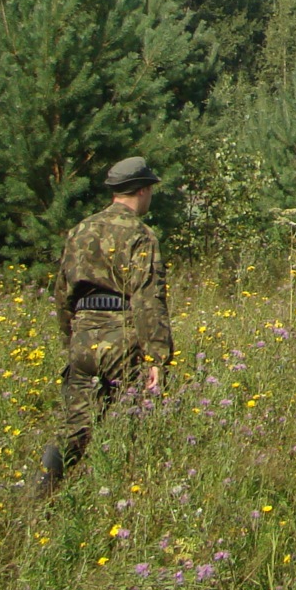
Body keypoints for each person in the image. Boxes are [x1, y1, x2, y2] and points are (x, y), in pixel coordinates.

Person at [37, 156, 174, 493]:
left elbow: (62, 294)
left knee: (75, 430)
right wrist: (157, 357)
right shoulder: (140, 235)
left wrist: (71, 340)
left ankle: (40, 493)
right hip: (123, 336)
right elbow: (147, 299)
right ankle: (130, 498)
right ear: (142, 191)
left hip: (83, 338)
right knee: (137, 424)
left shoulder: (80, 230)